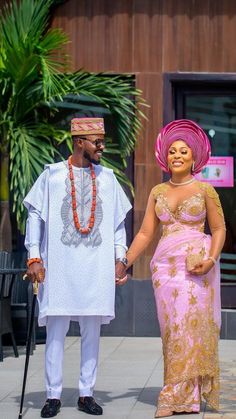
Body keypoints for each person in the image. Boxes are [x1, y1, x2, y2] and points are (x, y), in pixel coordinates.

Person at [23, 117, 131, 418]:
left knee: (91, 333)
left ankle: (86, 393)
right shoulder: (52, 176)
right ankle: (53, 395)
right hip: (58, 268)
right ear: (79, 141)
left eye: (102, 140)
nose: (102, 146)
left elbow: (118, 223)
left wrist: (120, 258)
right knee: (55, 332)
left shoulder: (108, 178)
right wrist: (34, 256)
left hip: (95, 269)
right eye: (97, 141)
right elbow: (34, 214)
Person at [122, 119, 226, 417]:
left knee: (190, 329)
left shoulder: (206, 190)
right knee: (173, 331)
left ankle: (178, 397)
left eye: (183, 152)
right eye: (172, 152)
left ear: (194, 158)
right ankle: (180, 392)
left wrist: (211, 259)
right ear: (165, 158)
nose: (177, 156)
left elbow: (219, 230)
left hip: (197, 269)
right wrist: (124, 263)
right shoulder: (157, 191)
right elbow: (144, 234)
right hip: (165, 272)